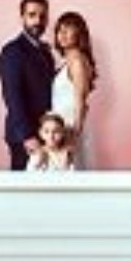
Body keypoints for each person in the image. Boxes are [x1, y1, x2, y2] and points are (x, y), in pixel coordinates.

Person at [0, 0, 55, 170]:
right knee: (22, 185)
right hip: (24, 137)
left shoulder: (46, 52)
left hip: (47, 134)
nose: (38, 21)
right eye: (32, 15)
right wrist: (27, 136)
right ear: (22, 17)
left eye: (43, 16)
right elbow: (12, 96)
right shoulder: (12, 51)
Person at [51, 11, 98, 169]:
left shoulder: (77, 61)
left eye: (68, 29)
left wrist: (75, 136)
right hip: (60, 126)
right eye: (59, 30)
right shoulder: (68, 60)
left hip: (71, 126)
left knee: (73, 169)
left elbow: (80, 101)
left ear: (79, 33)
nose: (62, 34)